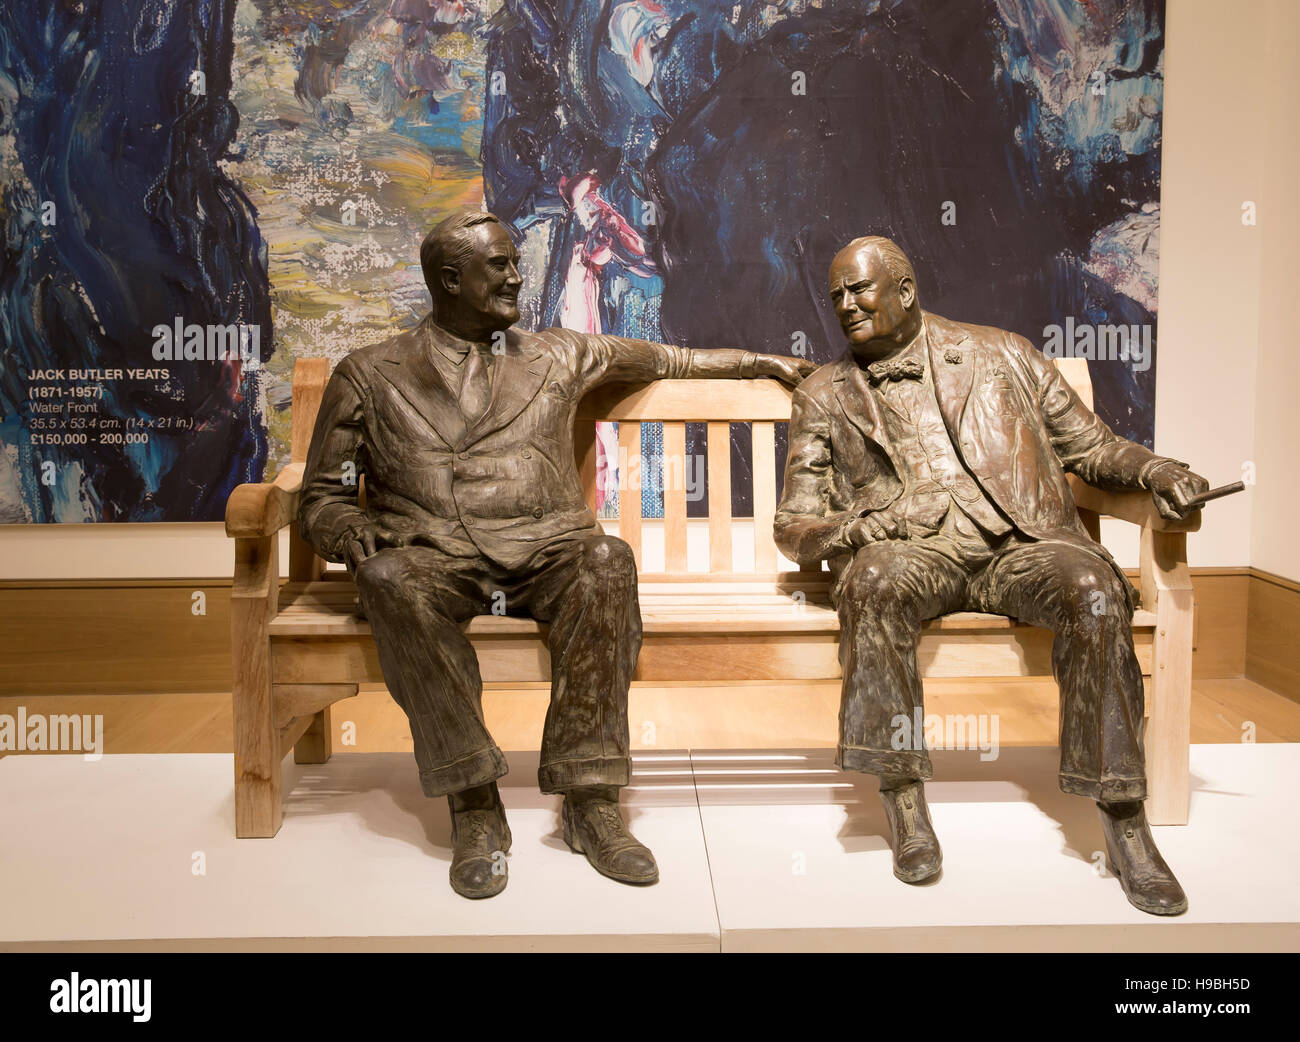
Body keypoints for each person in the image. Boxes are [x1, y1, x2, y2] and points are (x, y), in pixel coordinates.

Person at [300, 209, 813, 899]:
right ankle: (474, 802)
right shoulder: (368, 373)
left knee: (608, 561)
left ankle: (590, 800)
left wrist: (759, 363)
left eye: (515, 261)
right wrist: (344, 531)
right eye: (500, 266)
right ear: (450, 281)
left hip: (548, 549)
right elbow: (321, 496)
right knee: (389, 579)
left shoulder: (558, 354)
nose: (518, 275)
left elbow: (671, 359)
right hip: (432, 554)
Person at [774, 235, 1207, 916]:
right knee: (873, 582)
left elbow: (1091, 448)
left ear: (905, 290)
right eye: (836, 298)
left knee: (1095, 593)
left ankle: (1124, 817)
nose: (846, 306)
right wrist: (851, 531)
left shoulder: (1002, 353)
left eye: (860, 290)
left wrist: (1159, 471)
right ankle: (903, 797)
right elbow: (793, 525)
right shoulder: (825, 393)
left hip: (1019, 544)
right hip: (914, 552)